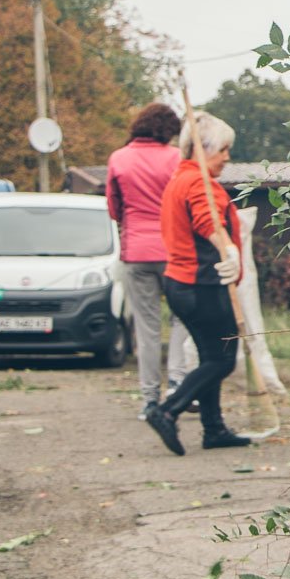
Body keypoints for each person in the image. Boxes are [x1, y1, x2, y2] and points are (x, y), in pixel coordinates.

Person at [144, 110, 248, 456]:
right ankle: (167, 410)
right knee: (221, 360)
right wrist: (229, 249)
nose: (228, 157)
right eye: (223, 150)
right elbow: (209, 223)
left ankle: (214, 428)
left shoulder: (179, 179)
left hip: (180, 284)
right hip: (201, 285)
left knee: (209, 357)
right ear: (203, 149)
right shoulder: (199, 184)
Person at [106, 103, 193, 420]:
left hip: (137, 254)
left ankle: (149, 401)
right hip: (174, 251)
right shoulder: (176, 159)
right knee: (182, 318)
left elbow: (114, 210)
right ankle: (176, 382)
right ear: (169, 131)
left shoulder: (118, 159)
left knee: (146, 329)